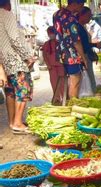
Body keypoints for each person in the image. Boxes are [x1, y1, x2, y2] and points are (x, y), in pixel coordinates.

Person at [0, 0, 35, 134]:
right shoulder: (6, 15)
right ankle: (18, 122)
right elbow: (15, 39)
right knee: (23, 90)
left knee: (10, 92)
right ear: (8, 4)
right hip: (15, 61)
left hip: (5, 62)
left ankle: (12, 121)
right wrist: (27, 57)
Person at [53, 0, 87, 99]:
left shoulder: (57, 14)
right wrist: (83, 57)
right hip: (72, 55)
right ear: (75, 3)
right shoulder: (71, 17)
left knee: (71, 81)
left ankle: (70, 103)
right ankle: (73, 106)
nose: (81, 8)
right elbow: (76, 41)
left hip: (61, 53)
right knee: (75, 81)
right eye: (81, 5)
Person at [43, 27, 66, 105]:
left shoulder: (60, 42)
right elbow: (44, 55)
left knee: (62, 83)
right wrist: (48, 65)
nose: (50, 35)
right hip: (52, 67)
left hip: (61, 66)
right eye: (49, 34)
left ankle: (65, 98)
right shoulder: (46, 44)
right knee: (54, 83)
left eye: (52, 33)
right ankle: (57, 99)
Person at [77, 7, 98, 93]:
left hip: (86, 55)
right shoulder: (78, 27)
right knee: (88, 78)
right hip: (84, 56)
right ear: (82, 15)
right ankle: (91, 94)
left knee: (89, 77)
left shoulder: (82, 26)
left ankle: (91, 93)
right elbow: (83, 44)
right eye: (88, 16)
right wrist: (95, 45)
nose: (90, 18)